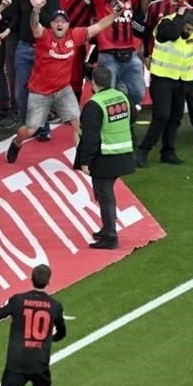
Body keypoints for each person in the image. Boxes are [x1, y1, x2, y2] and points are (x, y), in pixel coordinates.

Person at [5, 2, 121, 164]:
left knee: (77, 123)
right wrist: (36, 11)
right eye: (56, 21)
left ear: (68, 24)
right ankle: (16, 143)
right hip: (40, 92)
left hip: (63, 90)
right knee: (31, 129)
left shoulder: (75, 35)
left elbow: (100, 25)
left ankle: (81, 160)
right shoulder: (44, 35)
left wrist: (115, 15)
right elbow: (34, 24)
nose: (59, 24)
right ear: (51, 25)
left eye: (63, 21)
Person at [75, 67, 136, 249]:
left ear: (93, 83)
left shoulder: (94, 105)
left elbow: (90, 137)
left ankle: (110, 236)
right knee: (105, 194)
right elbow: (132, 116)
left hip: (105, 157)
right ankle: (107, 229)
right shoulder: (121, 97)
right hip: (123, 153)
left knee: (105, 195)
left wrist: (85, 161)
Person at [137, 8, 193, 167]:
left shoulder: (191, 26)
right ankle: (144, 149)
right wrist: (179, 16)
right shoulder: (166, 23)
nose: (189, 33)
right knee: (162, 116)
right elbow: (170, 35)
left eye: (192, 30)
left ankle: (168, 151)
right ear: (181, 22)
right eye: (187, 29)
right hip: (162, 77)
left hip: (182, 78)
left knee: (175, 117)